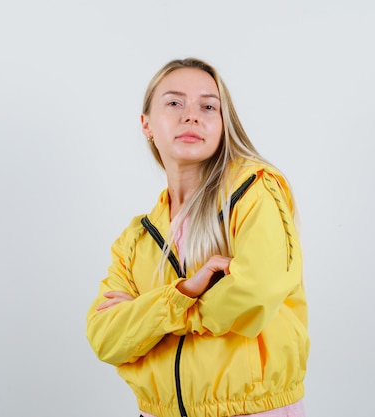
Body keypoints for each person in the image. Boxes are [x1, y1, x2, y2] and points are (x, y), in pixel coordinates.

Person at [86, 57, 309, 417]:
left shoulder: (253, 191)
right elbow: (105, 337)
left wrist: (161, 316)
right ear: (146, 124)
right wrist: (185, 293)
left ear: (223, 124)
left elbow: (257, 290)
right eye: (174, 103)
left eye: (208, 106)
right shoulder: (136, 238)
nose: (192, 116)